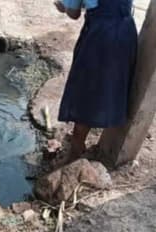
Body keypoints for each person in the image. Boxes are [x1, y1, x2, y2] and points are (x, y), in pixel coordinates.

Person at [53, 0, 137, 166]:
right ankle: (98, 127)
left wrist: (63, 6)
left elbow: (74, 13)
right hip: (126, 33)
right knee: (111, 86)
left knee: (86, 91)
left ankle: (76, 152)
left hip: (100, 37)